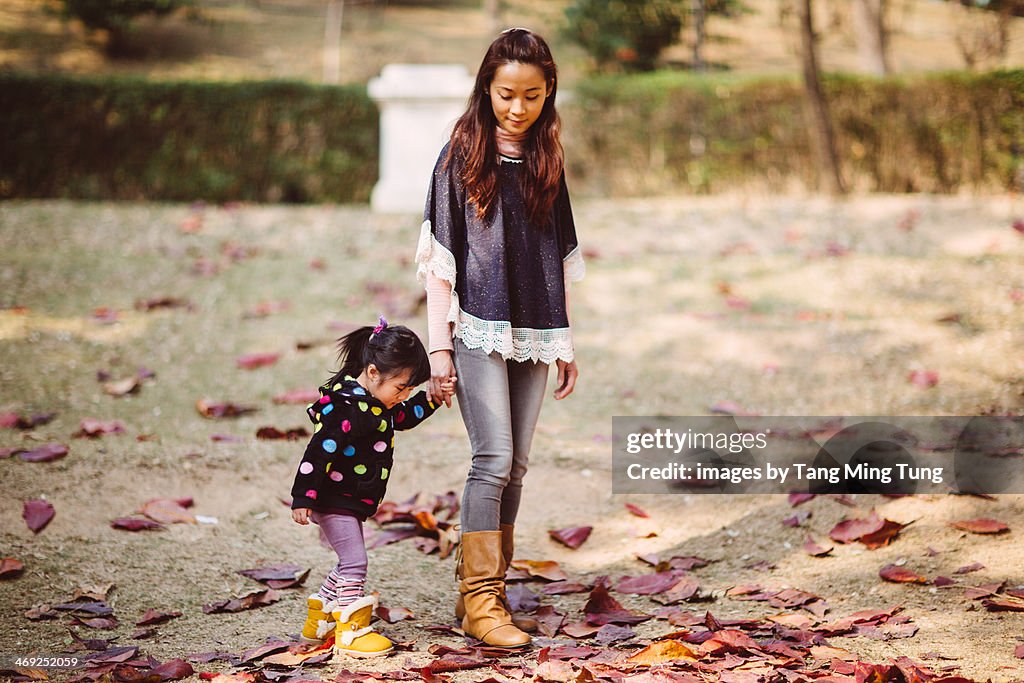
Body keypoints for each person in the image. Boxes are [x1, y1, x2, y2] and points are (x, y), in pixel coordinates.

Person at [415, 28, 585, 648]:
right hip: (477, 326)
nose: (519, 107)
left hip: (535, 327)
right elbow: (440, 262)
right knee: (492, 458)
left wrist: (563, 340)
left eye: (533, 96)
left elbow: (556, 259)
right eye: (507, 93)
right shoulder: (459, 157)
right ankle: (480, 601)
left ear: (548, 94)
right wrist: (438, 349)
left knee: (517, 466)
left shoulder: (546, 160)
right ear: (486, 87)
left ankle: (493, 591)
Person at [290, 317, 454, 657]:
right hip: (333, 499)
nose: (404, 396)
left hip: (348, 500)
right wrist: (303, 497)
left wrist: (433, 398)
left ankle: (319, 619)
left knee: (346, 562)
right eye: (401, 389)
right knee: (355, 562)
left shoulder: (377, 403)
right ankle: (352, 632)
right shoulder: (347, 407)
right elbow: (318, 452)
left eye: (409, 390)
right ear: (374, 372)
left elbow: (405, 417)